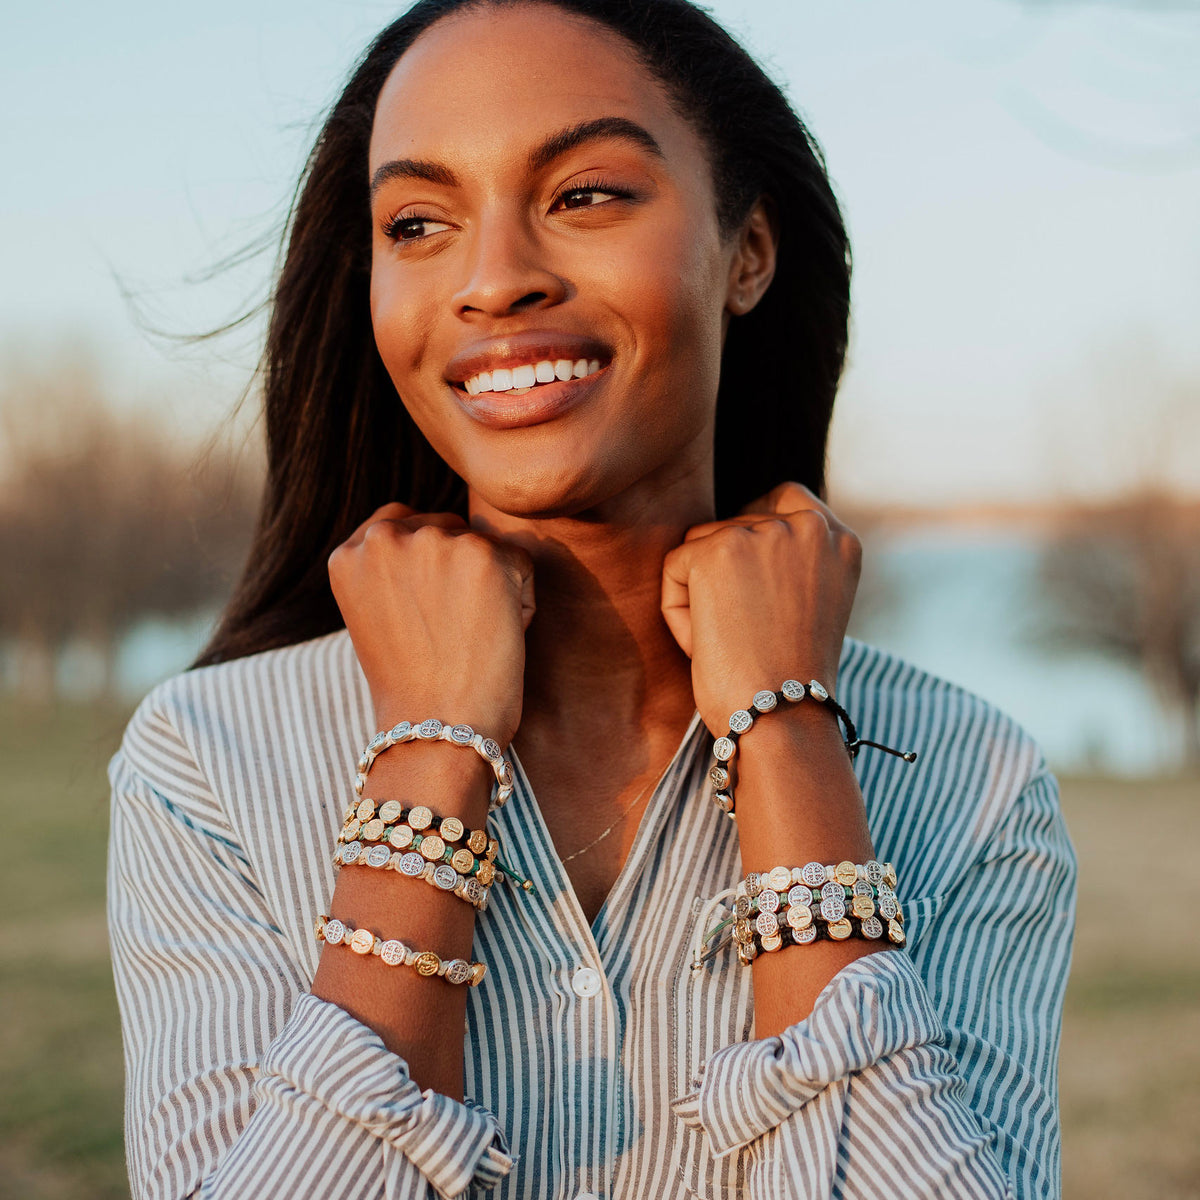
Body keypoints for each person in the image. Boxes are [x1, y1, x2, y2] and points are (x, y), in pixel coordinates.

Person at [105, 1, 1077, 1197]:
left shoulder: (971, 780)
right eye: (419, 223)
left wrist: (787, 738)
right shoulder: (209, 765)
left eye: (586, 195)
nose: (494, 279)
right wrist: (430, 756)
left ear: (749, 252)